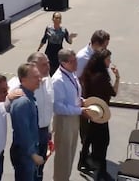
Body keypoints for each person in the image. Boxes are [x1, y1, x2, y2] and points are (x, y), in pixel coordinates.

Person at [8, 52, 54, 181]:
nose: (48, 67)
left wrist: (48, 131)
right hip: (28, 147)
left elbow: (48, 108)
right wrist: (32, 154)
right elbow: (22, 131)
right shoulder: (21, 97)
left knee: (37, 174)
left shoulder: (46, 81)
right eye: (44, 64)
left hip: (42, 135)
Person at [79, 49, 120, 181]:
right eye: (108, 59)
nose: (110, 62)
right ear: (102, 61)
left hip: (92, 109)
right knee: (103, 142)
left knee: (90, 137)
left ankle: (83, 160)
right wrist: (118, 78)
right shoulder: (102, 77)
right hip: (101, 112)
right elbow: (113, 93)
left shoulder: (89, 73)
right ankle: (101, 171)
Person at [52, 48, 91, 181]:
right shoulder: (58, 80)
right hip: (64, 121)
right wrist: (79, 111)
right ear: (64, 62)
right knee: (64, 156)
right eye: (73, 61)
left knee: (71, 152)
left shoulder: (71, 74)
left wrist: (82, 101)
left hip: (73, 117)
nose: (76, 64)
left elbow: (74, 95)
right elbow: (59, 107)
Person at [76, 30, 110, 172]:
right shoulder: (82, 57)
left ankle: (88, 158)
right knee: (87, 133)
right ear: (96, 44)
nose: (106, 49)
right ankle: (87, 158)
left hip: (97, 101)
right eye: (104, 46)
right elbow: (78, 80)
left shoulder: (97, 56)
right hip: (87, 101)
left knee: (93, 135)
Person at [10, 63, 44, 181]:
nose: (39, 79)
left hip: (28, 153)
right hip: (24, 155)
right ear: (23, 79)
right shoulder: (23, 102)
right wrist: (33, 154)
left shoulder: (29, 97)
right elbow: (22, 131)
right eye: (35, 77)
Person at [37, 12, 77, 76]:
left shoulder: (64, 30)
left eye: (59, 18)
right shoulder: (48, 28)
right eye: (56, 18)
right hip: (49, 51)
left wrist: (71, 37)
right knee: (50, 70)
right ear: (53, 19)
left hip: (58, 52)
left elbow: (69, 42)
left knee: (58, 70)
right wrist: (39, 48)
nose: (58, 20)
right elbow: (44, 39)